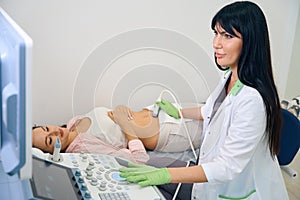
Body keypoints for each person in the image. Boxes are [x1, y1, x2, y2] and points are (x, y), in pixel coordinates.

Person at [119, 1, 289, 200]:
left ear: (250, 41)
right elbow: (210, 110)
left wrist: (165, 174)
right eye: (216, 33)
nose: (216, 43)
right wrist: (177, 111)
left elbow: (227, 167)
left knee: (148, 181)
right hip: (209, 173)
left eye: (227, 36)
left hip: (234, 189)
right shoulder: (231, 76)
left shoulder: (252, 99)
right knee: (133, 168)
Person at [32, 105, 202, 163]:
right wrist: (126, 125)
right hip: (169, 132)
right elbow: (139, 160)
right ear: (54, 152)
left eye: (47, 128)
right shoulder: (85, 150)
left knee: (219, 107)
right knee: (223, 126)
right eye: (50, 140)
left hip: (161, 110)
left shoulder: (73, 123)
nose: (54, 131)